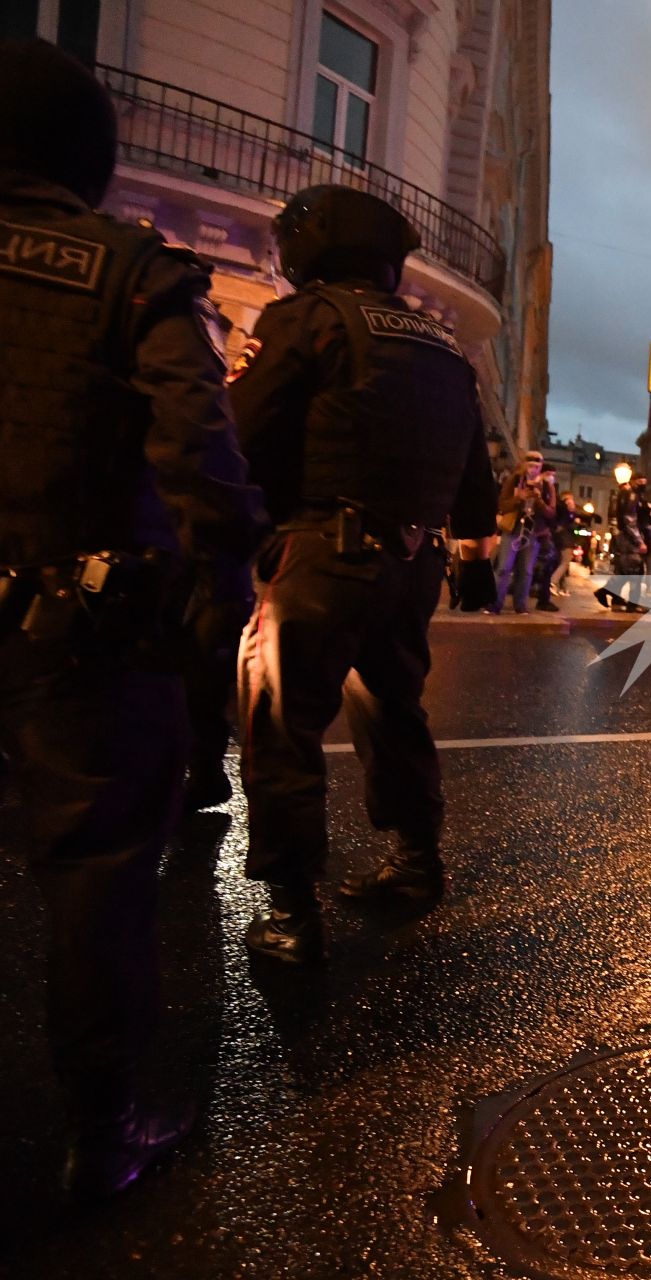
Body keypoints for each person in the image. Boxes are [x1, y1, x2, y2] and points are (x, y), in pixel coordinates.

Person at [0, 38, 267, 1196]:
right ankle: (99, 1131)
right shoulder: (128, 272)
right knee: (100, 878)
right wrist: (217, 601)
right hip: (76, 631)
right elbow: (198, 449)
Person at [230, 184, 500, 964]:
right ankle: (417, 863)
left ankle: (290, 911)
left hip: (319, 558)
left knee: (279, 728)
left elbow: (241, 435)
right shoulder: (443, 346)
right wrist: (476, 557)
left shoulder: (305, 320)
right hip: (412, 565)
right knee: (394, 712)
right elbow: (475, 481)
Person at [491, 449, 553, 614]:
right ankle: (495, 604)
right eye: (530, 465)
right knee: (504, 567)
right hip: (514, 528)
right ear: (524, 465)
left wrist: (538, 500)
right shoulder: (514, 479)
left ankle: (520, 605)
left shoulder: (547, 485)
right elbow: (502, 505)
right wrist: (520, 498)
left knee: (525, 570)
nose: (533, 470)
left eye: (537, 466)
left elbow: (551, 512)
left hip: (532, 532)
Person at [596, 472, 651, 612]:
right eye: (640, 482)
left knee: (625, 572)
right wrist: (639, 541)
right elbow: (630, 520)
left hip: (626, 538)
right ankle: (632, 603)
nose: (643, 485)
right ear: (634, 481)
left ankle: (607, 593)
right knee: (636, 570)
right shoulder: (631, 495)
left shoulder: (633, 495)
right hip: (629, 540)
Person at [534, 484, 577, 611]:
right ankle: (551, 584)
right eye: (569, 499)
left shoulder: (559, 506)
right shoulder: (561, 507)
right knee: (561, 562)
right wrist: (570, 511)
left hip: (556, 537)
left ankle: (550, 587)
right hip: (561, 538)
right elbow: (563, 521)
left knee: (556, 562)